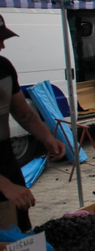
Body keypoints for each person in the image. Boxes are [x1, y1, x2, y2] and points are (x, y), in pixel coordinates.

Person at [0, 17, 66, 231]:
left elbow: (21, 110)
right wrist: (4, 185)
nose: (3, 45)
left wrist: (47, 137)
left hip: (4, 155)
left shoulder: (4, 67)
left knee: (19, 218)